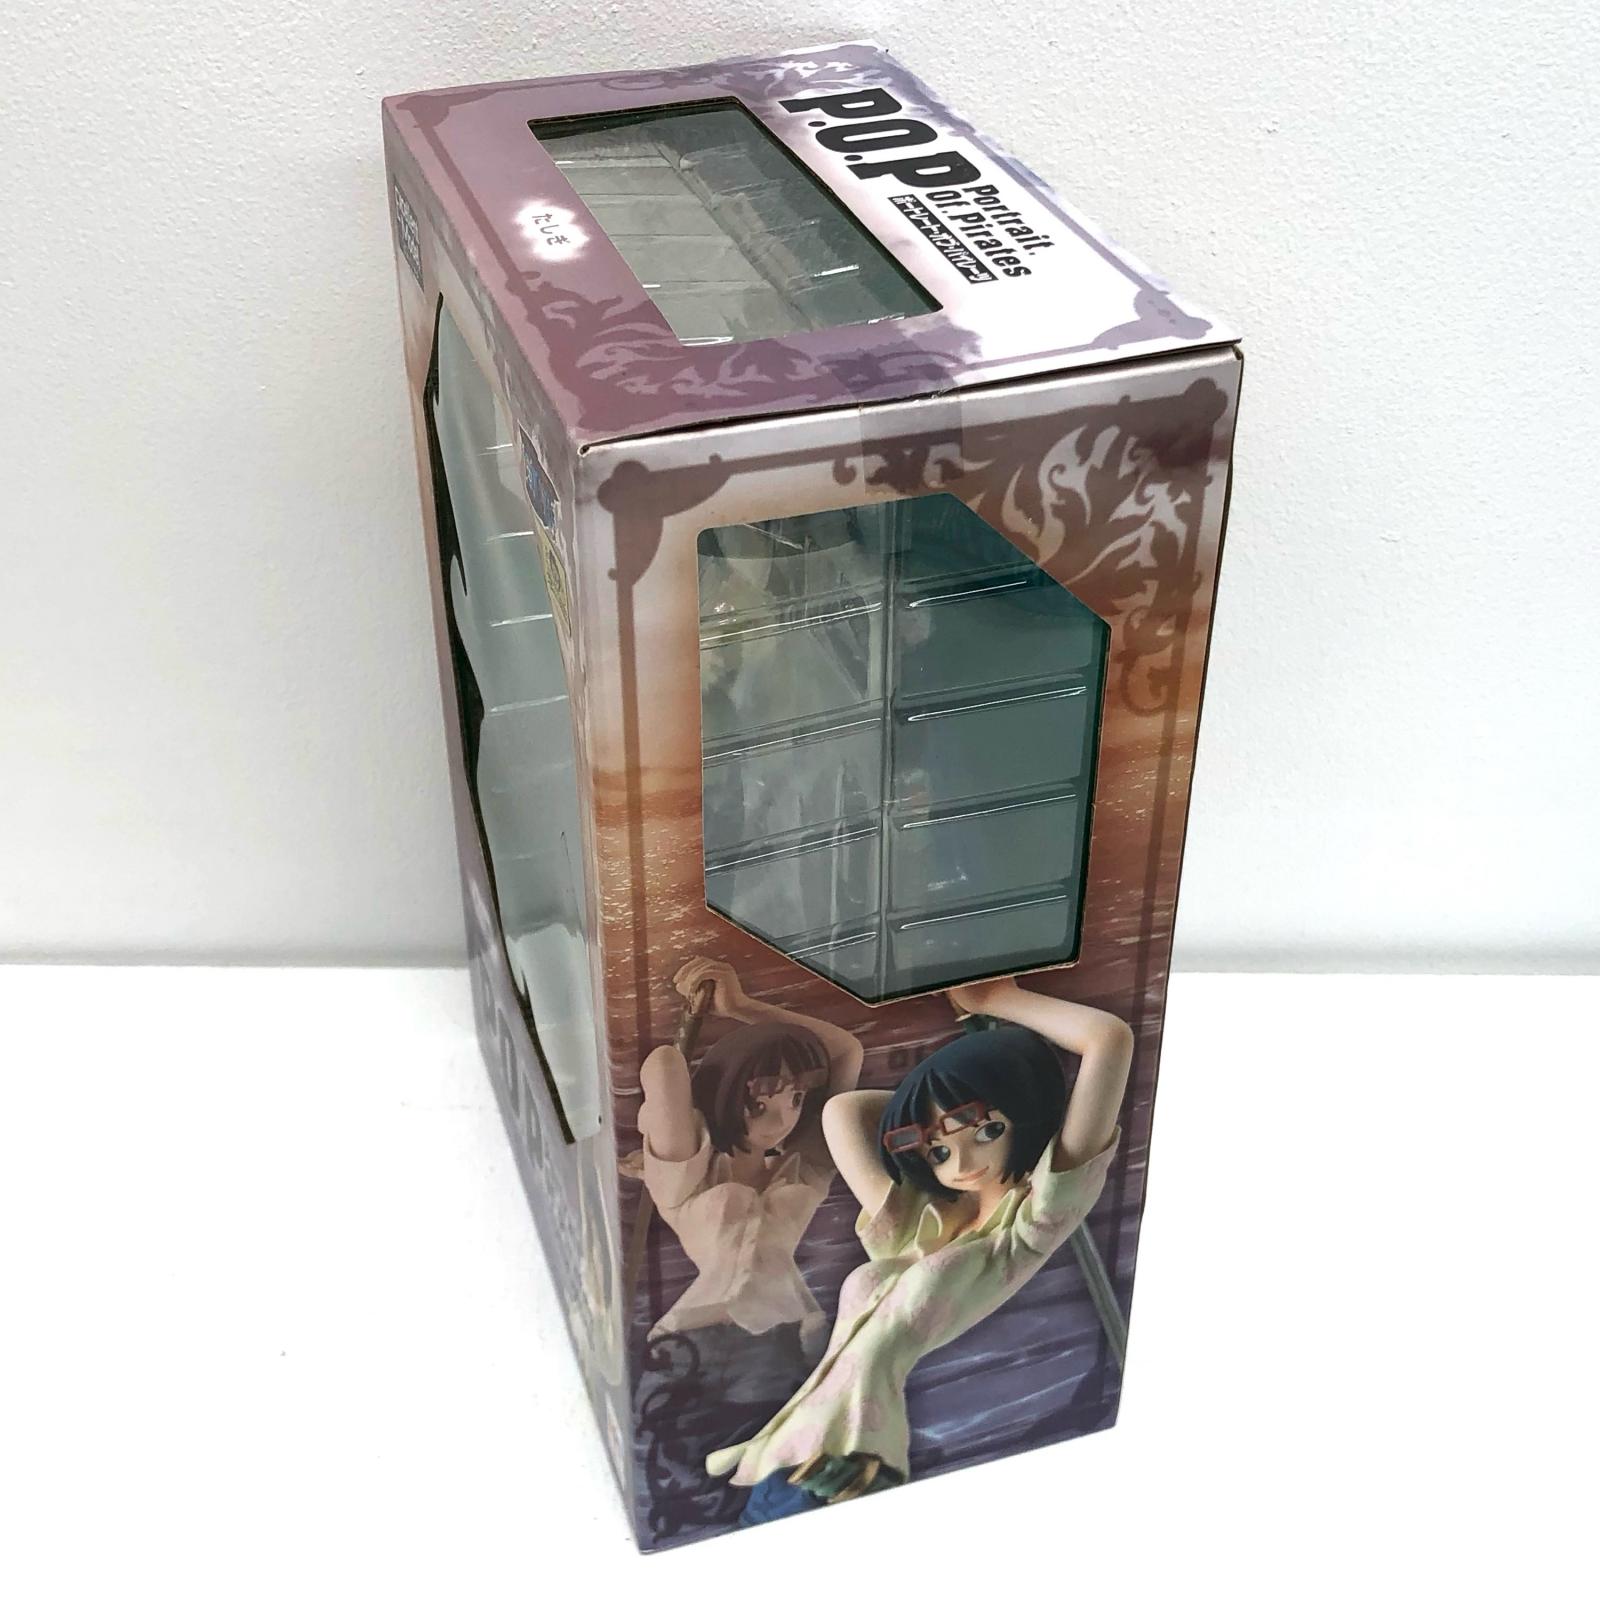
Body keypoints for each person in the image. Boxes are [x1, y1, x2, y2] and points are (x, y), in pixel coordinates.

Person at [705, 974, 1134, 1523]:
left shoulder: (1034, 1220)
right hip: (789, 1454)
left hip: (848, 1466)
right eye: (937, 1151)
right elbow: (843, 1112)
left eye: (986, 1131)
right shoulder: (916, 1221)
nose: (961, 1163)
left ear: (1025, 1114)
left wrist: (998, 1001)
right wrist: (928, 1107)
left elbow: (1108, 1039)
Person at [633, 955, 864, 1534]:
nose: (781, 1116)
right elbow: (663, 1065)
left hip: (783, 1344)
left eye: (795, 1099)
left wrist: (741, 1006)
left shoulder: (802, 1170)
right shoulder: (687, 1174)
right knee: (694, 1487)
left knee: (791, 1480)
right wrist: (707, 1022)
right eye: (763, 1098)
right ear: (731, 1091)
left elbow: (845, 1052)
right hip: (695, 1344)